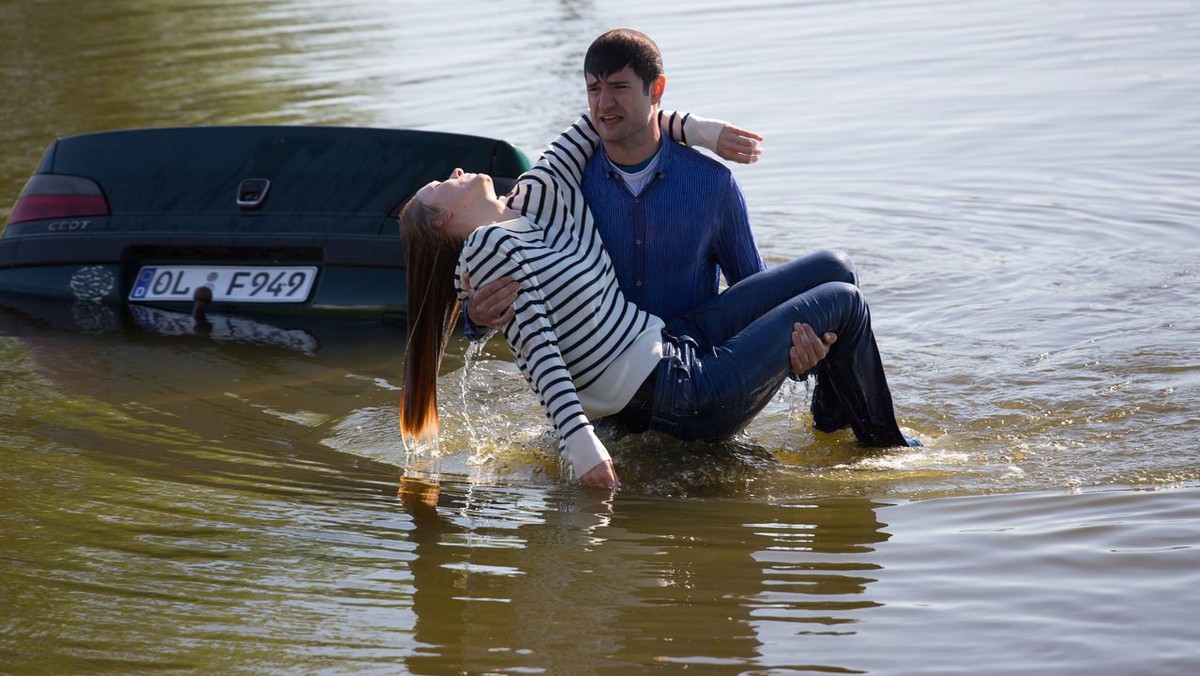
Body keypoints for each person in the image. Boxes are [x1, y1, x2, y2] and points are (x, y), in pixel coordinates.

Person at [398, 111, 915, 490]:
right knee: (845, 300)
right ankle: (886, 450)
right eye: (442, 184)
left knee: (834, 268)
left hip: (675, 341)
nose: (458, 172)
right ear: (442, 221)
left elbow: (594, 124)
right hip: (673, 390)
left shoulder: (535, 199)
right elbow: (539, 355)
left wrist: (704, 132)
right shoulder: (487, 247)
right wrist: (582, 451)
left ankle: (832, 423)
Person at [464, 28, 849, 379]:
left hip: (699, 376)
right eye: (594, 90)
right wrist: (477, 317)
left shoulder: (713, 184)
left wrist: (801, 356)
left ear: (657, 89)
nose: (604, 103)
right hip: (605, 386)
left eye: (618, 87)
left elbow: (753, 295)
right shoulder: (567, 185)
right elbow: (517, 274)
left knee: (836, 281)